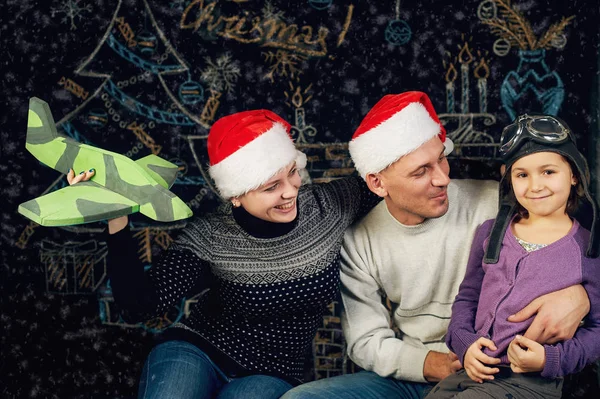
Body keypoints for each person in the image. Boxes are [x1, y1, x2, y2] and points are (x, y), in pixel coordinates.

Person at [281, 92, 590, 399]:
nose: (443, 178)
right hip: (417, 375)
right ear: (378, 183)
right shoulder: (359, 241)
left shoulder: (498, 206)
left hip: (500, 371)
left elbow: (569, 250)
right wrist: (433, 363)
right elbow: (366, 340)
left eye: (441, 158)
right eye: (421, 171)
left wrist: (582, 296)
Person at [68, 109, 380, 399]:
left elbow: (391, 175)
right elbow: (139, 306)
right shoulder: (211, 237)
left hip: (274, 372)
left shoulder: (330, 207)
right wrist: (115, 216)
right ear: (236, 196)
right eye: (271, 187)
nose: (290, 191)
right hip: (197, 350)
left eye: (293, 173)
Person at [425, 114, 600, 399]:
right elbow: (467, 298)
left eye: (548, 172)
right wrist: (465, 344)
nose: (535, 186)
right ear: (508, 177)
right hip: (471, 372)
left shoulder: (588, 248)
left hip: (529, 383)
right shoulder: (490, 233)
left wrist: (550, 360)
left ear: (574, 174)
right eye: (522, 175)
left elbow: (597, 330)